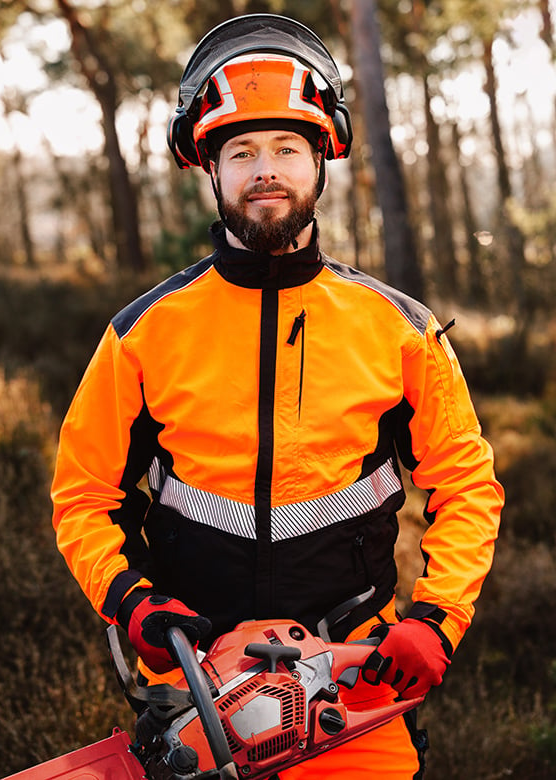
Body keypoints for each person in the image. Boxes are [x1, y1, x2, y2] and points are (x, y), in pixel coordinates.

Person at [51, 14, 503, 780]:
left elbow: (467, 486)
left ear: (322, 160)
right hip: (196, 674)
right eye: (244, 152)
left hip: (356, 674)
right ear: (211, 168)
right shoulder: (143, 333)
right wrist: (132, 602)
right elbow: (82, 496)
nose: (267, 170)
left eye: (287, 149)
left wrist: (435, 619)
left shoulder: (400, 330)